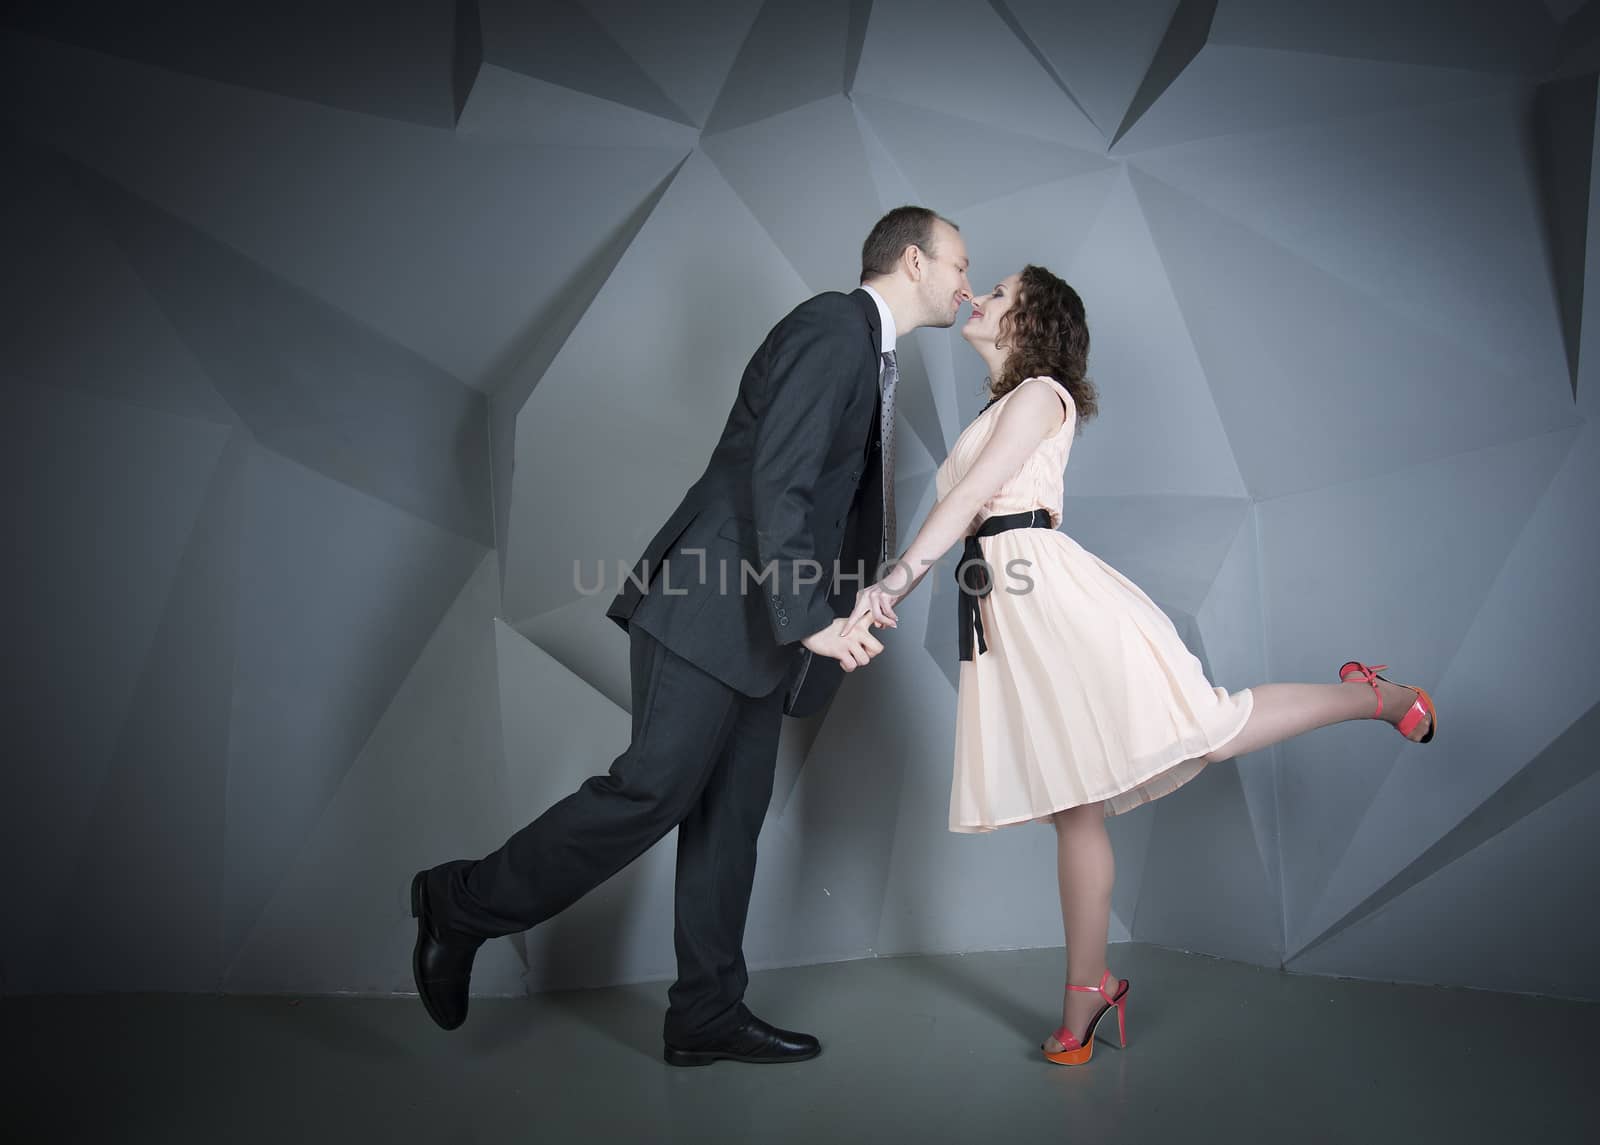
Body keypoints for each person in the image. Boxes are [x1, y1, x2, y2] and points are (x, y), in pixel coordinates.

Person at [409, 206, 974, 1066]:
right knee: (653, 790)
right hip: (710, 611)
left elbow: (818, 504)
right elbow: (778, 480)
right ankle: (460, 901)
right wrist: (812, 618)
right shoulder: (835, 327)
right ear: (913, 260)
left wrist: (846, 603)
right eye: (961, 266)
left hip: (756, 630)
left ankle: (706, 1012)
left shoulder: (867, 350)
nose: (969, 285)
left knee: (728, 819)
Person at [843, 264, 1438, 1066]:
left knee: (1211, 725)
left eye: (1001, 291)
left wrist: (900, 576)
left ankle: (1371, 695)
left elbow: (971, 498)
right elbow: (967, 508)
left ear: (1030, 322)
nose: (979, 294)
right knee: (1073, 802)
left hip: (1051, 597)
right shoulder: (995, 407)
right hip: (1003, 605)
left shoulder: (1039, 393)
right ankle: (1088, 990)